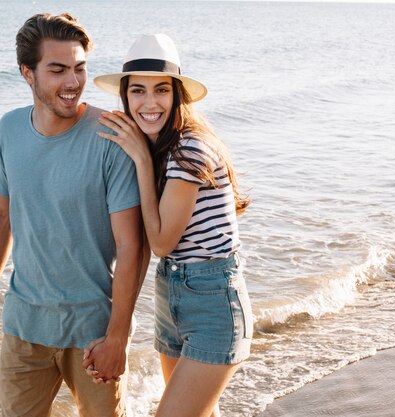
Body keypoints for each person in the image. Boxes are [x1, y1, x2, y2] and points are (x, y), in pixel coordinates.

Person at [0, 13, 144, 417]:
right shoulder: (9, 129)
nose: (73, 82)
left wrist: (117, 338)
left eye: (80, 68)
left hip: (93, 333)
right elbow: (1, 214)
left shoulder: (110, 136)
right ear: (27, 73)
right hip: (23, 327)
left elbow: (131, 245)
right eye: (58, 69)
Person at [86, 34, 253, 417]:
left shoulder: (188, 149)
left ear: (177, 95)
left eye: (161, 90)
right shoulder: (162, 146)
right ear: (125, 97)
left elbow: (160, 241)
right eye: (138, 91)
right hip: (171, 294)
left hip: (213, 301)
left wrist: (142, 162)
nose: (149, 103)